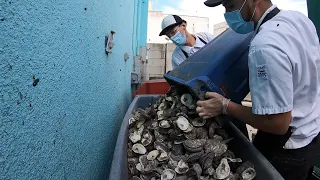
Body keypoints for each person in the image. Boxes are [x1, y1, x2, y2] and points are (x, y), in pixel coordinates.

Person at [198, 0, 320, 179]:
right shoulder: (298, 19)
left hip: (287, 150)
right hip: (311, 134)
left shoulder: (264, 45)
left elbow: (278, 124)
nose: (227, 13)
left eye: (230, 5)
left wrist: (224, 105)